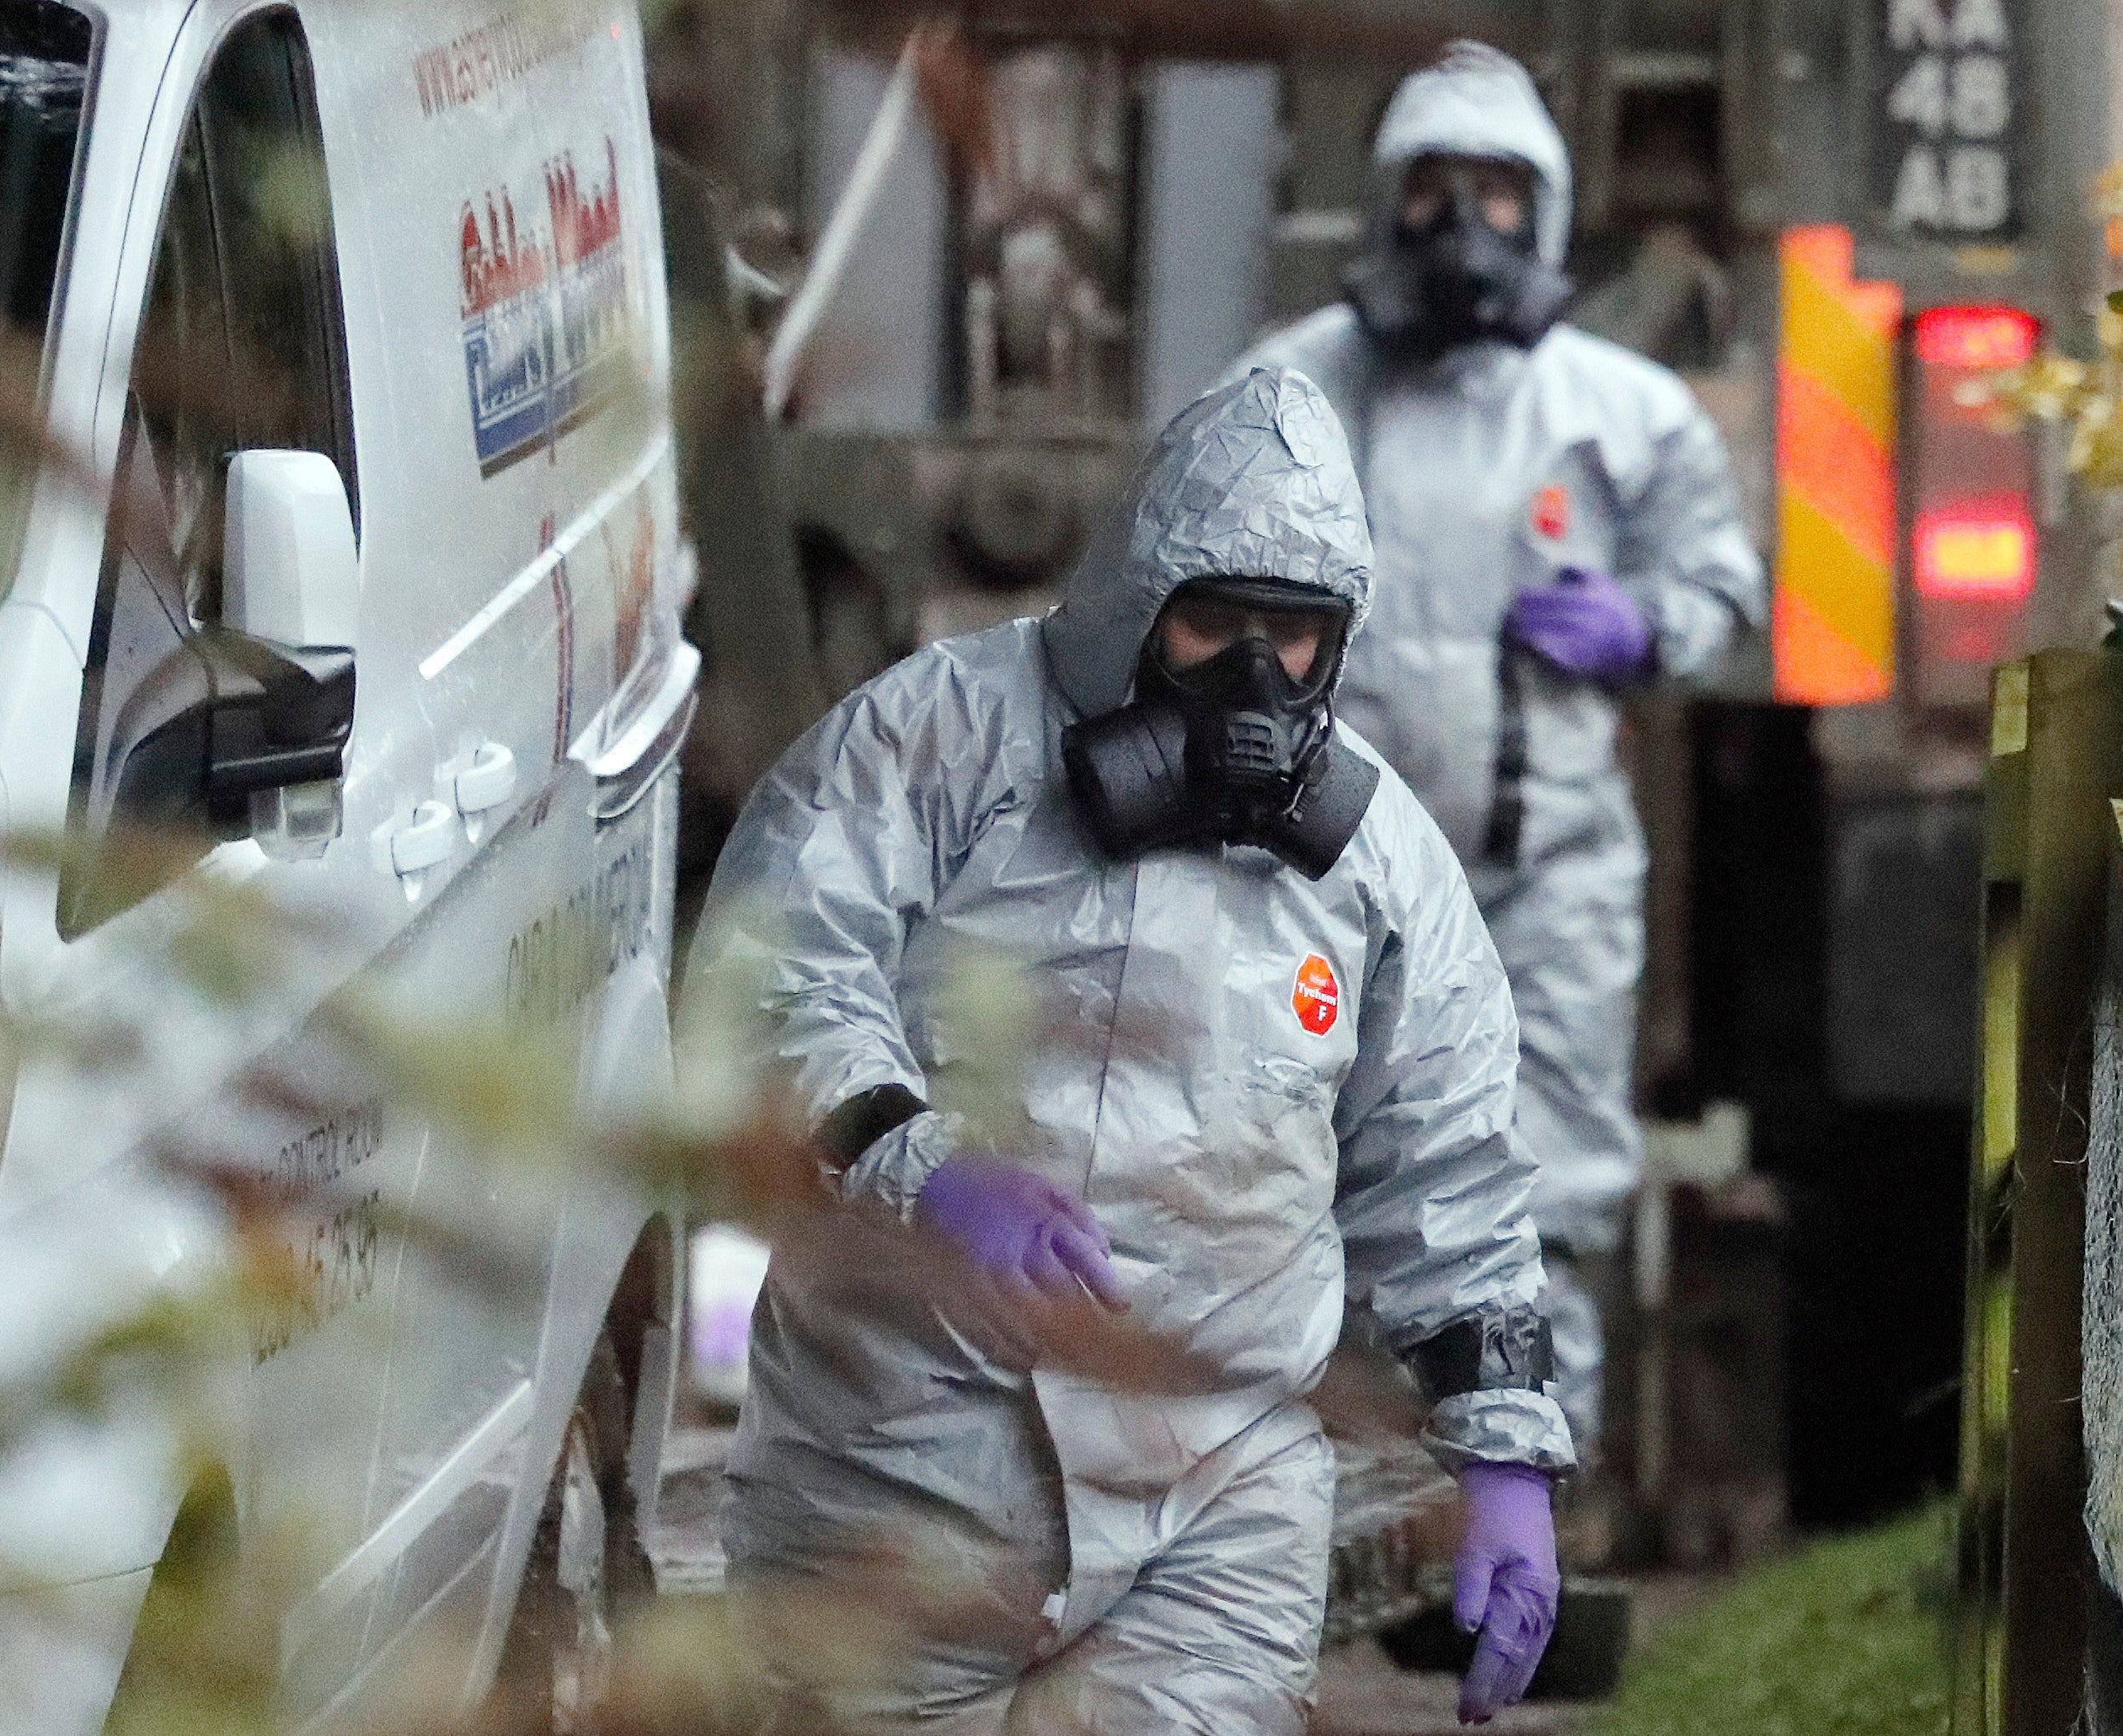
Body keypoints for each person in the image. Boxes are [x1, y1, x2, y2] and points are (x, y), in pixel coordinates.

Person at [691, 366, 1575, 1734]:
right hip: (900, 1474)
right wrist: (913, 1160)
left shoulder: (1379, 862)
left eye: (1292, 635)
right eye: (1210, 619)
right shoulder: (935, 743)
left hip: (1215, 1509)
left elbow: (1445, 1155)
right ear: (1130, 605)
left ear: (1338, 642)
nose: (1250, 673)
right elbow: (770, 968)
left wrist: (1504, 1450)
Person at [1229, 42, 1765, 1450]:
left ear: (1550, 203)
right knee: (1301, 1161)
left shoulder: (1620, 415)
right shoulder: (1289, 394)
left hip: (1547, 872)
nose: (1463, 224)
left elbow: (1723, 584)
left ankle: (1523, 1503)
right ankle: (1326, 1502)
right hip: (1322, 872)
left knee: (1540, 1188)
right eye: (1434, 187)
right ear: (1384, 198)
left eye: (1498, 191)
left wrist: (1646, 624)